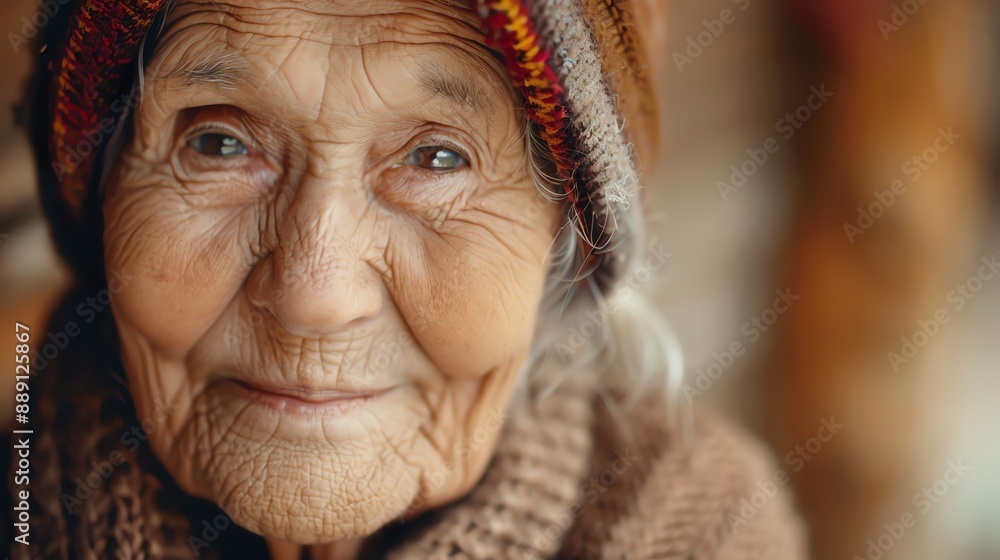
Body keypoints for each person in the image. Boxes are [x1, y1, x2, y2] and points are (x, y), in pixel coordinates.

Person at [5, 0, 808, 558]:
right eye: (217, 143)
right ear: (101, 202)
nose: (314, 297)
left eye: (436, 158)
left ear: (567, 245)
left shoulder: (699, 531)